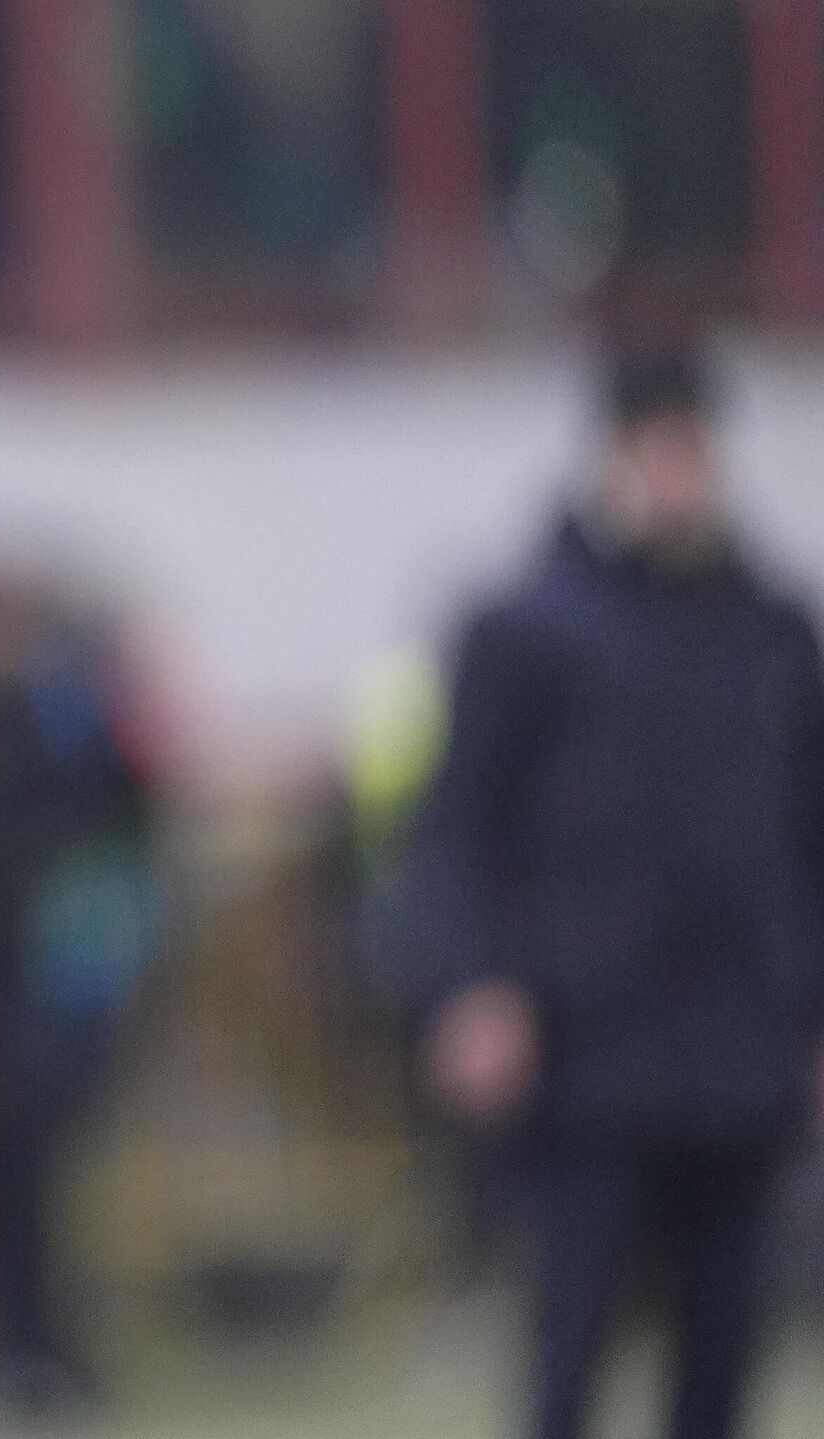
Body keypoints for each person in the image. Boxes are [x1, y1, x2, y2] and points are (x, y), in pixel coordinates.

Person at [391, 346, 824, 1439]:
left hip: (739, 1044)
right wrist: (474, 983)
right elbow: (460, 826)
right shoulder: (528, 629)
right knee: (572, 1336)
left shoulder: (770, 630)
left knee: (725, 1344)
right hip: (587, 1041)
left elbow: (805, 836)